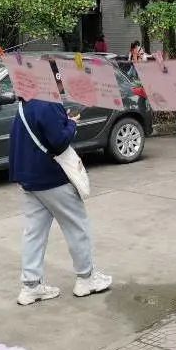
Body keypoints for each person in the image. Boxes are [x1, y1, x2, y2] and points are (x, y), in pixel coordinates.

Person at [9, 75, 112, 306]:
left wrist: (63, 120)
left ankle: (31, 286)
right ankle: (86, 278)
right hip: (52, 177)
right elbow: (58, 142)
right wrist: (72, 124)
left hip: (28, 178)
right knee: (77, 227)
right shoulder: (48, 101)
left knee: (33, 233)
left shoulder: (26, 100)